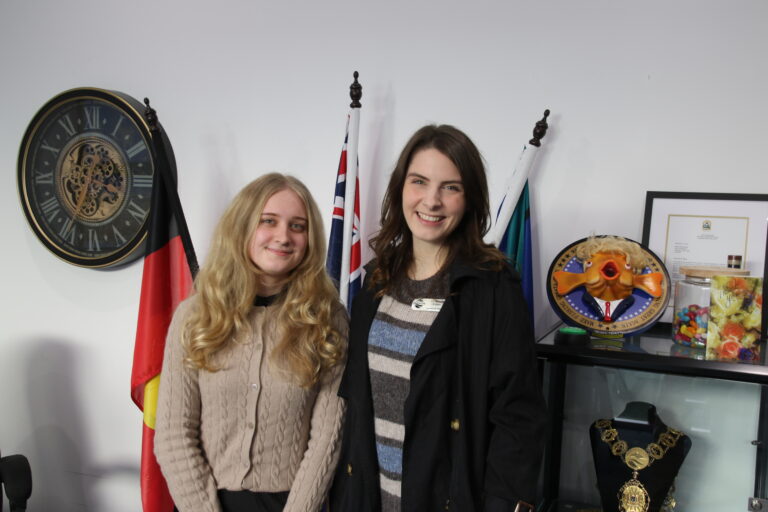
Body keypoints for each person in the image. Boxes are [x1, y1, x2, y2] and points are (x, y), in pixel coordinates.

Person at [329, 125, 547, 511]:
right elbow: (355, 404)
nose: (432, 201)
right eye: (419, 182)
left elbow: (518, 417)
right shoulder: (376, 280)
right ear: (401, 188)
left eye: (450, 187)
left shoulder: (493, 289)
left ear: (469, 199)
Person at [155, 173, 347, 512]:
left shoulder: (328, 321)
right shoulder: (195, 316)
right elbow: (173, 433)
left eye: (298, 226)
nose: (283, 237)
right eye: (268, 221)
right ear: (242, 226)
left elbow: (327, 439)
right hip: (204, 503)